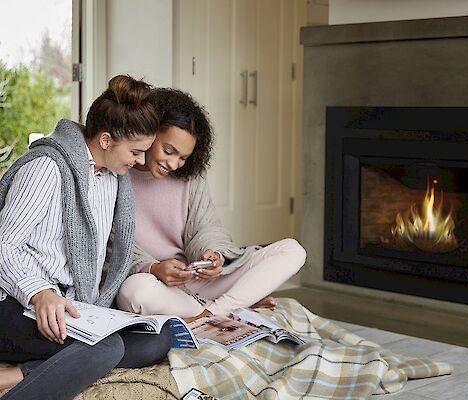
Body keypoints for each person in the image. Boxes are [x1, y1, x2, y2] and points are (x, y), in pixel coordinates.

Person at [0, 75, 171, 400]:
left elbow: (110, 249)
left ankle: (17, 374)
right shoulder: (46, 168)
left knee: (156, 338)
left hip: (73, 305)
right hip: (15, 305)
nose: (140, 162)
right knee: (105, 348)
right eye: (136, 151)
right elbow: (3, 245)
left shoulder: (112, 180)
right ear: (106, 140)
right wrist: (41, 294)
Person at [116, 88, 306, 322]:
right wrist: (153, 268)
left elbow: (207, 227)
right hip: (158, 285)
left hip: (198, 281)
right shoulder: (119, 172)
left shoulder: (190, 177)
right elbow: (112, 247)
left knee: (292, 251)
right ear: (150, 133)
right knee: (134, 292)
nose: (174, 163)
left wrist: (213, 255)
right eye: (168, 151)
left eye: (183, 157)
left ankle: (206, 315)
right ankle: (235, 305)